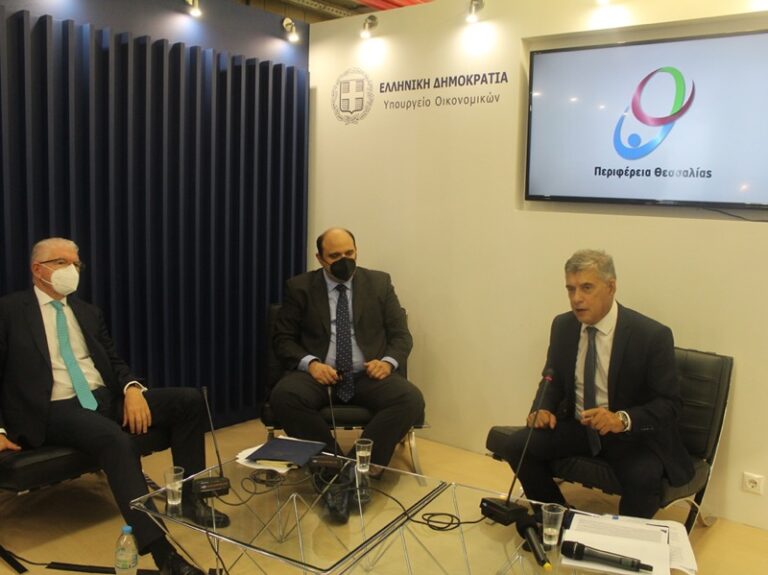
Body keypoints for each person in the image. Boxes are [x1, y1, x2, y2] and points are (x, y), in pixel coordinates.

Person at [0, 237, 228, 575]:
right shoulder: (9, 311)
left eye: (76, 264)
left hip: (103, 398)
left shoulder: (87, 312)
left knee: (189, 400)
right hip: (53, 409)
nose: (72, 270)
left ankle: (189, 499)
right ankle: (163, 553)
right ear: (38, 269)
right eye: (62, 262)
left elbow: (113, 361)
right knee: (115, 439)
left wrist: (132, 389)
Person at [499, 249, 693, 518]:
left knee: (644, 476)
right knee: (517, 445)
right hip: (579, 426)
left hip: (629, 435)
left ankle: (619, 539)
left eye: (586, 288)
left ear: (610, 287)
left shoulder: (650, 335)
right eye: (570, 289)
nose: (576, 298)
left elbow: (670, 404)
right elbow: (552, 379)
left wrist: (621, 419)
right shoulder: (564, 326)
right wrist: (542, 409)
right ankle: (557, 517)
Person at [270, 227, 425, 471]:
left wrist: (387, 362)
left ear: (356, 251)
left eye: (349, 253)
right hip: (320, 375)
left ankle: (357, 470)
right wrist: (311, 364)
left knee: (410, 399)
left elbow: (401, 336)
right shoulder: (300, 287)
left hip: (367, 374)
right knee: (285, 396)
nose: (344, 260)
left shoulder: (379, 283)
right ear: (320, 258)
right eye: (334, 256)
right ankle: (330, 469)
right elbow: (283, 339)